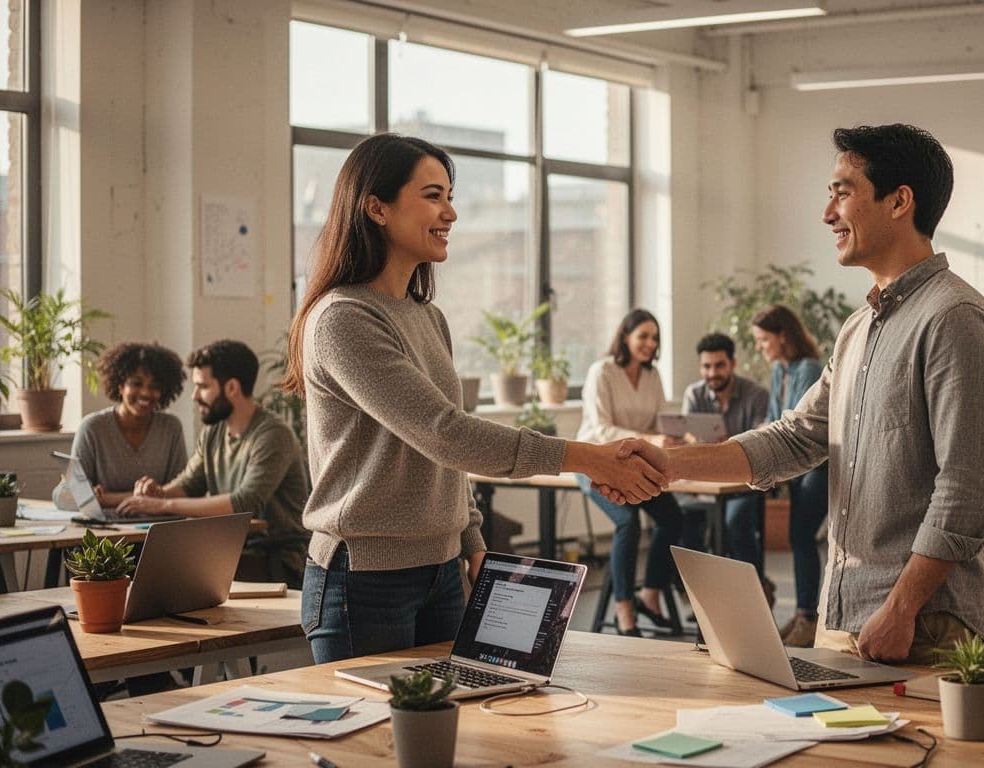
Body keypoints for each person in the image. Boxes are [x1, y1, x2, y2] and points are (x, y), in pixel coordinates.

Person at [603, 123, 984, 664]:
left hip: (917, 622)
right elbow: (795, 438)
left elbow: (967, 493)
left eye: (842, 192)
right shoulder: (860, 325)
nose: (827, 213)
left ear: (899, 201)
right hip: (843, 613)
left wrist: (901, 608)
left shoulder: (954, 319)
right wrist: (670, 465)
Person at [277, 134, 666, 663]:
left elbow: (448, 452)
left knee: (452, 732)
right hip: (363, 579)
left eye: (451, 196)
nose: (451, 212)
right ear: (377, 208)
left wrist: (472, 540)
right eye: (433, 195)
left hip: (442, 573)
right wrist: (588, 456)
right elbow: (444, 434)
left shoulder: (427, 317)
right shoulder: (342, 318)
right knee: (368, 743)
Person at [118, 340, 311, 588]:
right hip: (227, 551)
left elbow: (245, 502)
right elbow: (190, 483)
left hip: (273, 560)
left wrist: (161, 504)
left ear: (231, 387)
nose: (195, 395)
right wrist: (158, 492)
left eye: (202, 386)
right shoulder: (213, 433)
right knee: (136, 562)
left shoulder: (273, 435)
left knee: (162, 574)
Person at [577, 309, 687, 637]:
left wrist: (670, 437)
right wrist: (651, 439)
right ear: (625, 336)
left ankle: (650, 596)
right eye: (643, 336)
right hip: (594, 461)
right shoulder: (603, 371)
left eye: (655, 338)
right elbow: (598, 428)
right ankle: (624, 607)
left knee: (673, 519)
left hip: (634, 464)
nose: (650, 343)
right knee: (628, 523)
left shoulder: (653, 376)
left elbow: (658, 422)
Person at [751, 304, 828, 647]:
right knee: (797, 538)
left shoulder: (808, 368)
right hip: (796, 467)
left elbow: (795, 426)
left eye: (762, 339)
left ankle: (808, 617)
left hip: (818, 465)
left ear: (783, 336)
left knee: (800, 536)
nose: (759, 347)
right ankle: (801, 615)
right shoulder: (779, 371)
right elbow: (771, 420)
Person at [678, 333, 768, 590]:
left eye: (719, 365)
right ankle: (703, 592)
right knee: (684, 517)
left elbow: (762, 442)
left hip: (744, 484)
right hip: (704, 482)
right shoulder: (694, 394)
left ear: (732, 364)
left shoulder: (756, 394)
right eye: (706, 366)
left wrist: (722, 448)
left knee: (735, 521)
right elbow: (687, 441)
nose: (712, 373)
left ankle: (751, 590)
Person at [53, 342, 187, 509]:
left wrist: (105, 499)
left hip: (157, 524)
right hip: (103, 528)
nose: (145, 393)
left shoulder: (171, 428)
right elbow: (65, 497)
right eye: (136, 384)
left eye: (154, 386)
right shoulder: (93, 428)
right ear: (120, 386)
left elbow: (183, 491)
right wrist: (147, 498)